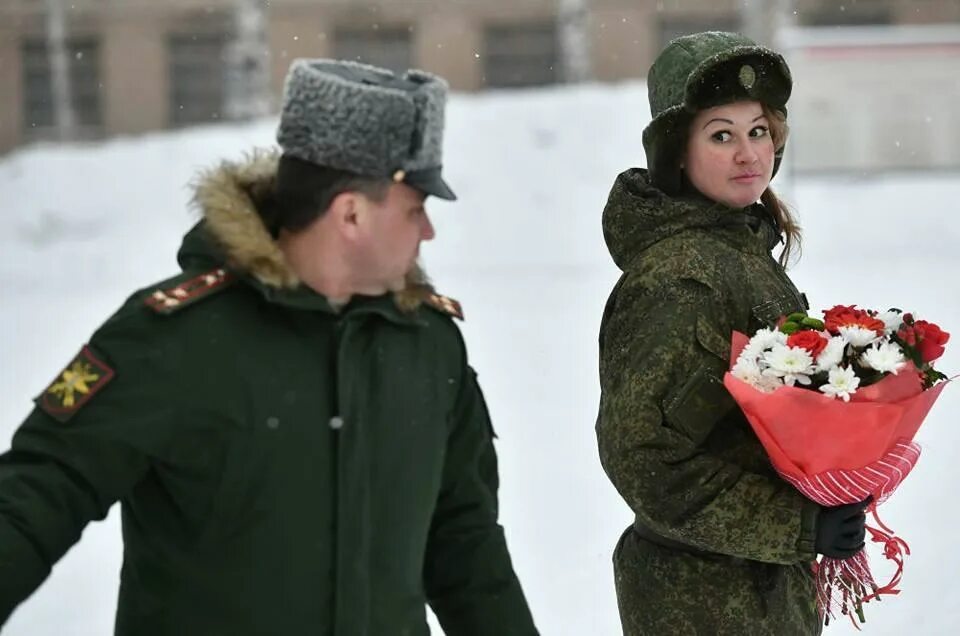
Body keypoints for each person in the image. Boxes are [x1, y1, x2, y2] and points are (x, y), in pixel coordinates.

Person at [0, 59, 538, 635]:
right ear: (351, 213)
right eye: (415, 209)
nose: (427, 231)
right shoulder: (173, 339)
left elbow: (465, 547)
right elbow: (34, 500)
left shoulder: (427, 348)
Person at [595, 32, 869, 635]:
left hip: (760, 589)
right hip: (702, 600)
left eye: (759, 131)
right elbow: (643, 459)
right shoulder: (683, 279)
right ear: (678, 152)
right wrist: (795, 526)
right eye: (721, 135)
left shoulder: (736, 248)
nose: (749, 153)